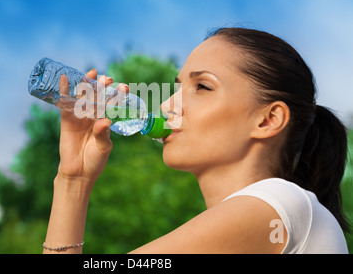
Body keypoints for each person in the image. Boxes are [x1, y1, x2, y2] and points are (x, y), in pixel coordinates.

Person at [42, 27, 349, 254]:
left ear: (268, 120)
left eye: (202, 86)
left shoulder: (281, 203)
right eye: (178, 88)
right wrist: (73, 179)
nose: (166, 106)